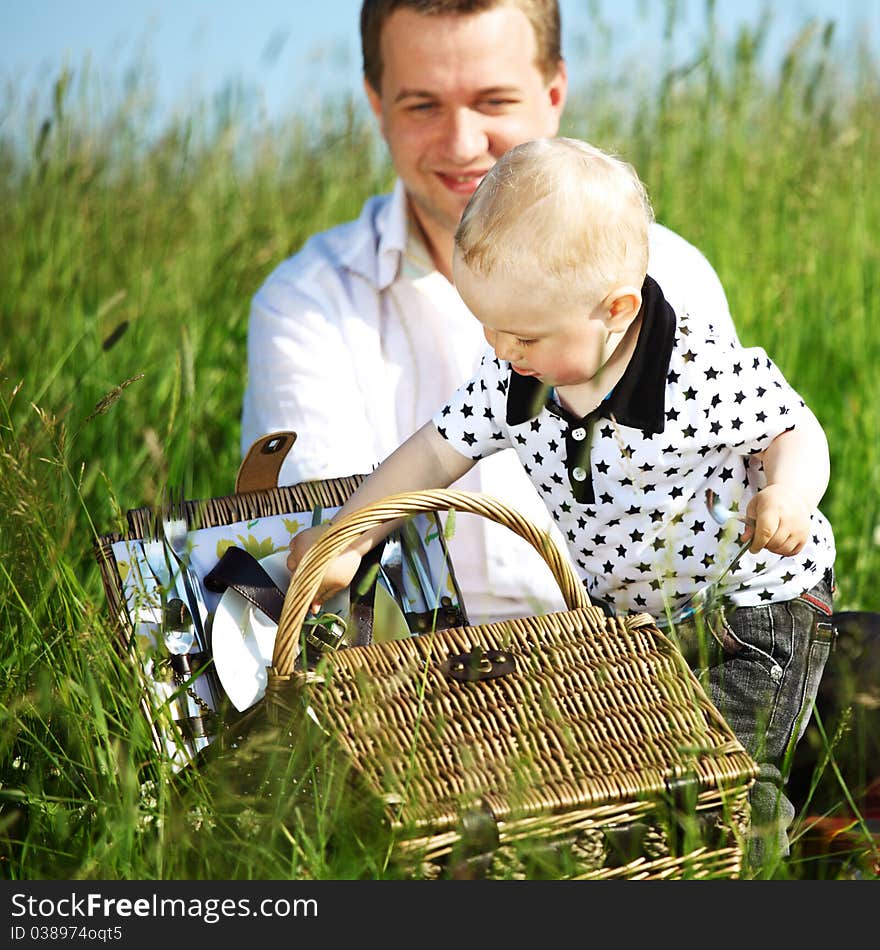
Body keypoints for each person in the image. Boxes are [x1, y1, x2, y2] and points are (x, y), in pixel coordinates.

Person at [288, 137, 836, 872]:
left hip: (752, 606)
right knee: (640, 772)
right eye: (485, 325)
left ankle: (757, 872)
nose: (500, 348)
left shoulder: (696, 372)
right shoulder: (515, 377)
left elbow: (791, 427)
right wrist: (352, 534)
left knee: (731, 777)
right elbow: (430, 455)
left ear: (615, 309)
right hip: (635, 621)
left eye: (522, 334)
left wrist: (788, 491)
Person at [241, 0, 739, 624]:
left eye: (495, 101)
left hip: (644, 653)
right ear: (376, 103)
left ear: (553, 92)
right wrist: (347, 539)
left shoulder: (667, 275)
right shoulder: (307, 303)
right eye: (422, 104)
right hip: (416, 682)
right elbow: (339, 549)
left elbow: (721, 492)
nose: (463, 143)